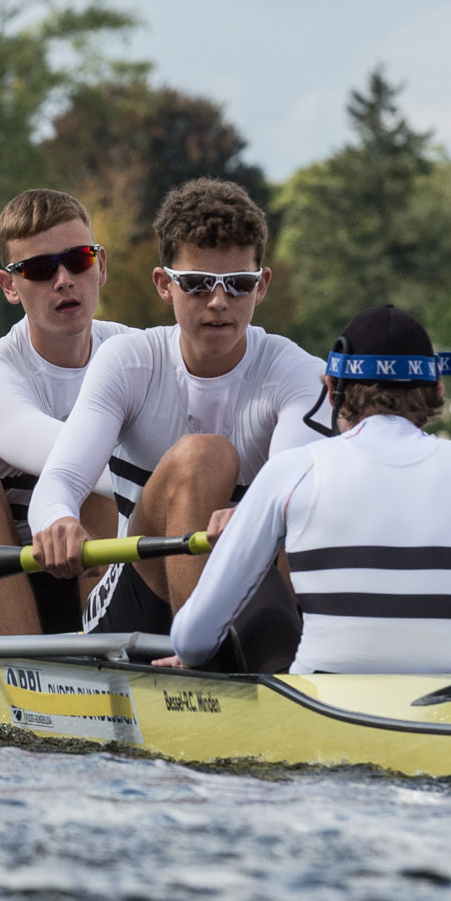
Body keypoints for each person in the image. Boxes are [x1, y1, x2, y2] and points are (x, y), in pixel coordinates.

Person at [168, 305, 451, 676]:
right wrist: (448, 642)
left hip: (320, 706)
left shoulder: (292, 471)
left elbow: (190, 642)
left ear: (332, 388)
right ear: (437, 390)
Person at [29, 178, 324, 636]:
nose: (220, 303)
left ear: (262, 285)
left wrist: (257, 516)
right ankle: (204, 660)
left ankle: (261, 659)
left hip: (256, 588)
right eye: (199, 285)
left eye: (238, 284)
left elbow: (290, 493)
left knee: (287, 511)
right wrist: (57, 520)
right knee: (204, 455)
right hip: (135, 600)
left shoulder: (296, 370)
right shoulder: (129, 362)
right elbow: (61, 481)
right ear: (164, 285)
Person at [0, 189, 132, 636]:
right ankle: (25, 662)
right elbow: (77, 463)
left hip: (92, 575)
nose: (62, 280)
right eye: (38, 269)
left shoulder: (139, 353)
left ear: (102, 266)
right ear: (9, 287)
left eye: (78, 260)